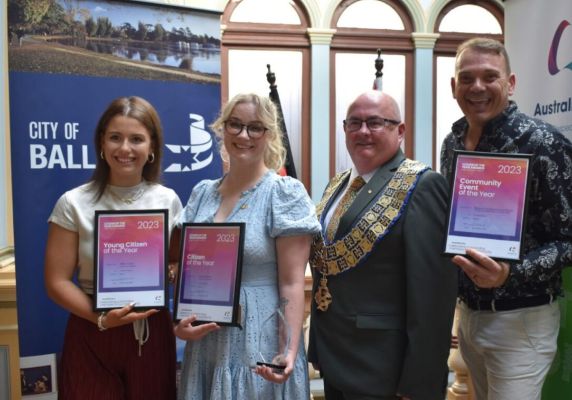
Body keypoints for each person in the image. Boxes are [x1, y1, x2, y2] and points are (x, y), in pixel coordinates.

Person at [440, 37, 572, 400]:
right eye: (467, 78)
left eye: (489, 76)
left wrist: (511, 272)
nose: (477, 87)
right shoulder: (451, 144)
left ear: (510, 83)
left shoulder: (543, 143)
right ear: (454, 87)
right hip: (468, 315)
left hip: (521, 320)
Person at [308, 90, 457, 400]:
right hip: (336, 358)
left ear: (399, 131)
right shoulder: (337, 184)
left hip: (384, 368)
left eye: (375, 122)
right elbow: (326, 267)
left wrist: (421, 382)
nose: (363, 131)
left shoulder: (422, 184)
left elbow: (432, 295)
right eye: (355, 123)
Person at [173, 93, 320, 399]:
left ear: (269, 135)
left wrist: (289, 348)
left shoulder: (283, 193)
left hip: (260, 336)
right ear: (222, 129)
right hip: (206, 340)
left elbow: (292, 282)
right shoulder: (202, 194)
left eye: (255, 127)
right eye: (235, 125)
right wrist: (179, 323)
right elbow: (188, 269)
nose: (243, 135)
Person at [44, 96, 182, 400]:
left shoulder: (168, 200)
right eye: (115, 137)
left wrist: (169, 274)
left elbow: (175, 262)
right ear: (102, 144)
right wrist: (101, 319)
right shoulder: (73, 202)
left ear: (152, 148)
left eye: (137, 139)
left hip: (150, 330)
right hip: (92, 329)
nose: (125, 149)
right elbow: (56, 281)